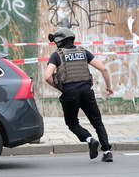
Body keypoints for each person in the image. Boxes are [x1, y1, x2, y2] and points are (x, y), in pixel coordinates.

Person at [44, 28, 114, 162]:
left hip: (70, 93)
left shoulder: (56, 55)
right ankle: (107, 151)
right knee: (97, 122)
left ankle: (89, 139)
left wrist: (62, 89)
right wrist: (109, 87)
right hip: (87, 91)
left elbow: (47, 77)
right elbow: (103, 68)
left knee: (72, 122)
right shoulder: (83, 52)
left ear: (59, 42)